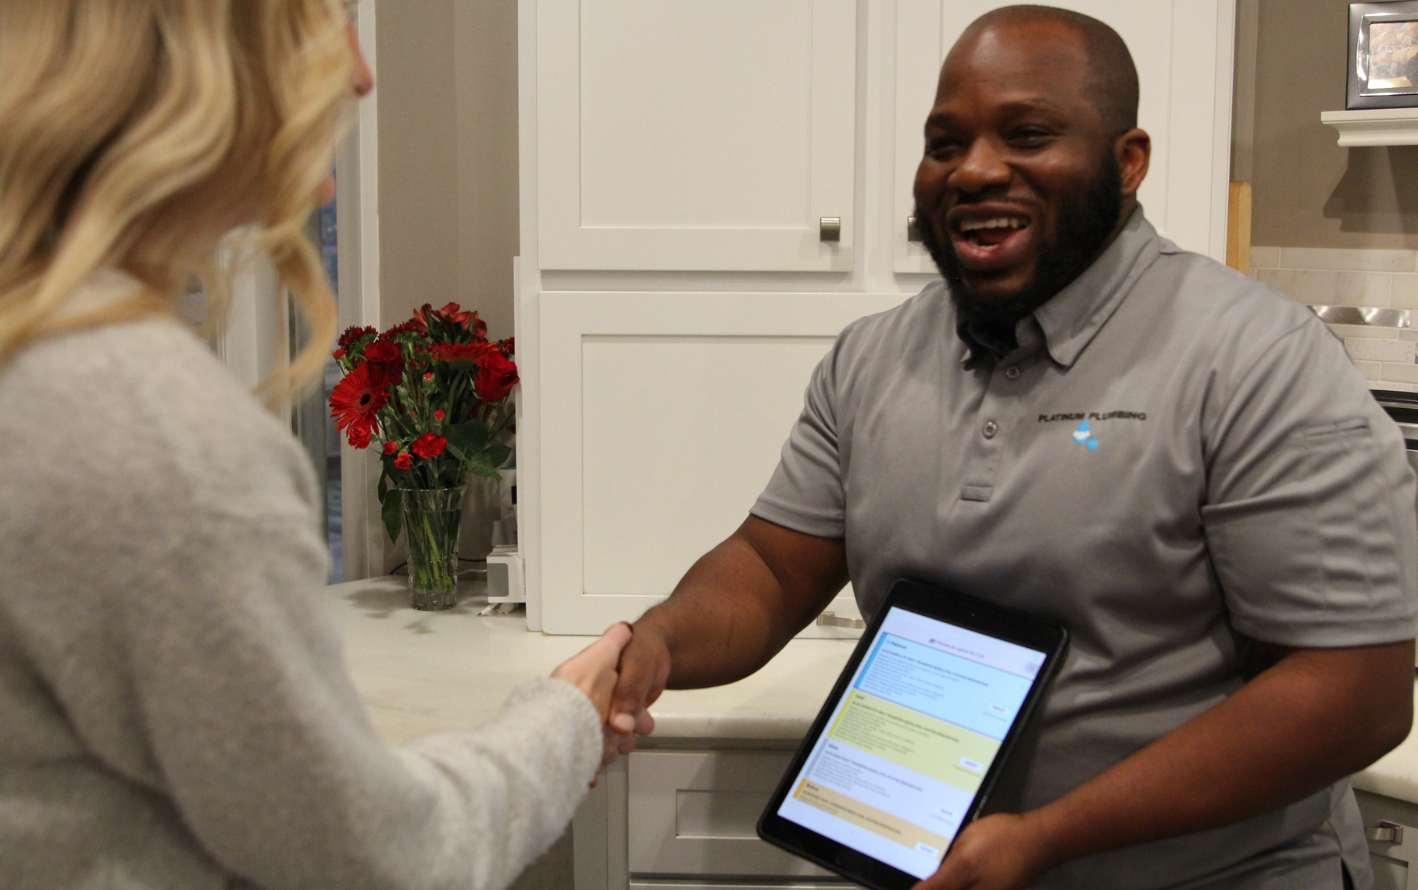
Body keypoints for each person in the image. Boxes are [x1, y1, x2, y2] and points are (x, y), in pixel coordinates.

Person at [607, 6, 1418, 890]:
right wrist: (655, 645)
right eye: (945, 143)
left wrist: (1049, 836)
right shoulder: (872, 358)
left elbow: (1357, 692)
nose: (976, 170)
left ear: (1127, 161)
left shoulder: (1255, 358)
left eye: (1028, 134)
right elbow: (769, 566)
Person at [0, 2, 627, 888]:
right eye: (324, 15)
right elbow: (384, 863)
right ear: (198, 49)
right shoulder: (157, 432)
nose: (361, 73)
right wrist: (565, 720)